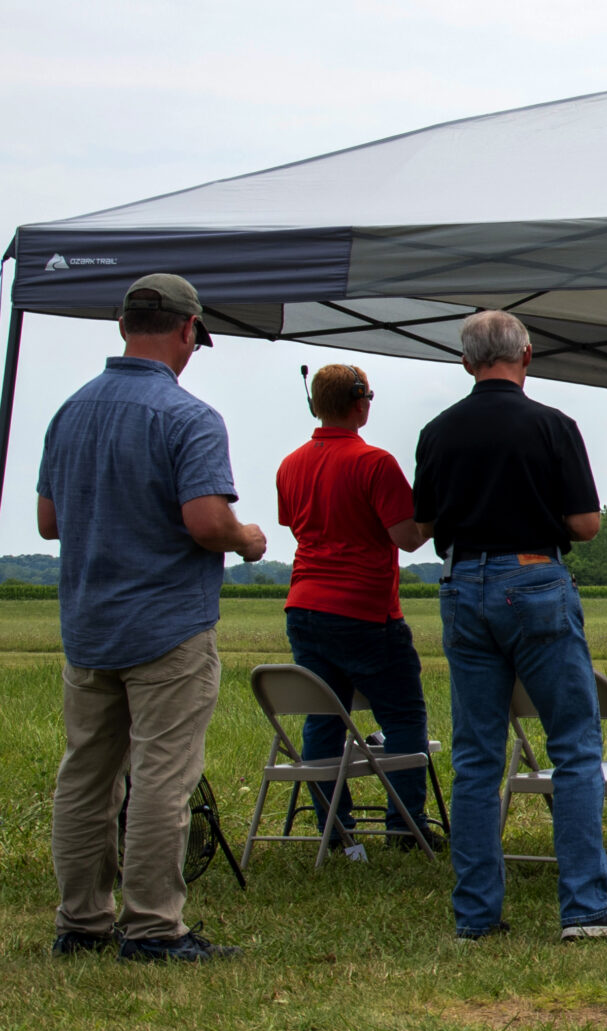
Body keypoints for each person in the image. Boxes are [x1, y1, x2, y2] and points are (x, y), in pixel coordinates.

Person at [39, 274, 264, 962]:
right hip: (167, 626)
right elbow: (204, 521)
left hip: (89, 624)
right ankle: (154, 927)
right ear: (187, 329)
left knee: (86, 777)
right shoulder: (188, 416)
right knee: (164, 778)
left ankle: (81, 922)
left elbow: (49, 521)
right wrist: (246, 537)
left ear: (122, 324)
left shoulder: (70, 411)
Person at [412, 309, 607, 941]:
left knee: (477, 758)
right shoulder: (552, 426)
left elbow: (422, 525)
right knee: (573, 746)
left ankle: (476, 916)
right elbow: (586, 523)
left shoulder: (437, 432)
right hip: (536, 579)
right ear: (528, 357)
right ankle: (584, 907)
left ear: (466, 362)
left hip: (462, 586)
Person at [275, 363, 436, 850]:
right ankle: (404, 827)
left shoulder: (291, 463)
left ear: (315, 405)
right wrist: (436, 512)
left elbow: (294, 524)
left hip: (304, 605)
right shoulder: (375, 463)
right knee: (403, 717)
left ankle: (335, 828)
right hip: (365, 609)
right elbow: (407, 539)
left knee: (324, 718)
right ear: (361, 401)